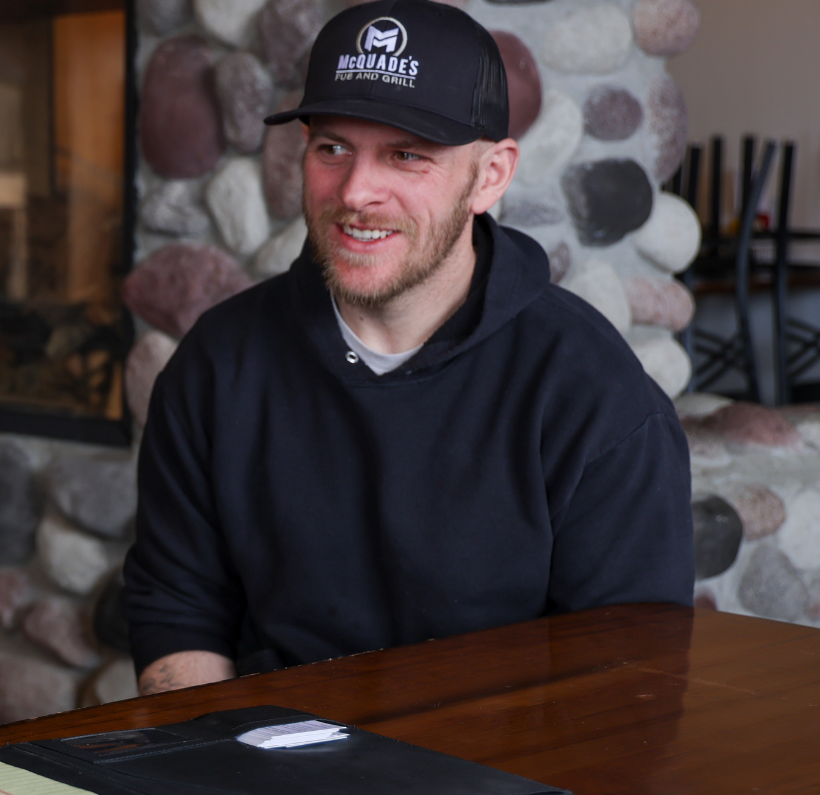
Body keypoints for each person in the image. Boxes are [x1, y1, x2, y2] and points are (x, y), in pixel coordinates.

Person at [123, 0, 693, 696]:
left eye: (407, 155)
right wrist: (205, 750)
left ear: (490, 176)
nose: (357, 191)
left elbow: (624, 682)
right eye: (333, 148)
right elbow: (178, 610)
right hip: (265, 748)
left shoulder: (594, 395)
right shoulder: (218, 364)